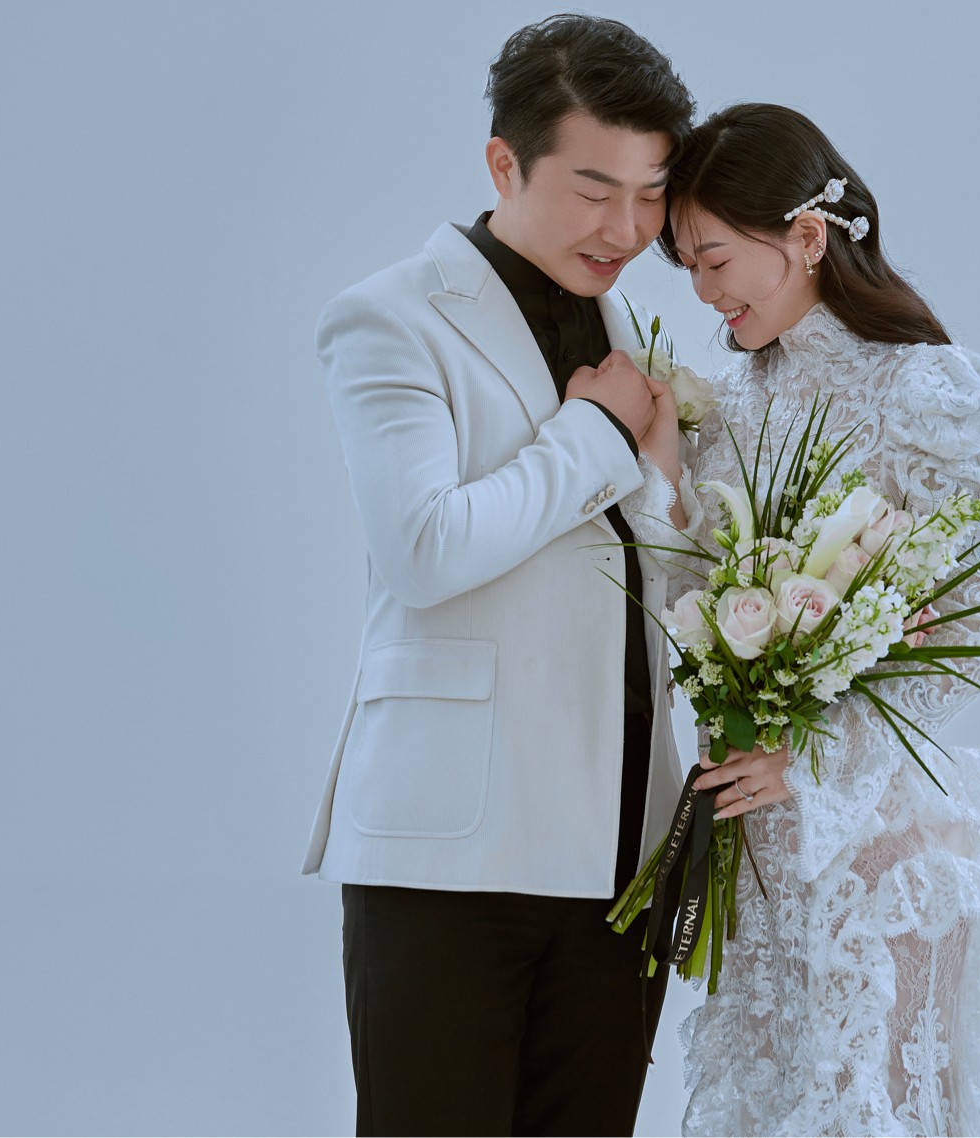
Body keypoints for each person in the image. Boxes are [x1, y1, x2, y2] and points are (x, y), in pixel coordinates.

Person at [300, 16, 696, 1136]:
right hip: (451, 853)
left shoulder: (631, 332)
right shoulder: (389, 317)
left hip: (620, 852)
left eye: (652, 194)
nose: (627, 229)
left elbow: (656, 584)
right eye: (593, 190)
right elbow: (424, 550)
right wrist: (593, 435)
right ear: (503, 164)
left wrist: (667, 489)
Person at [632, 104, 980, 1137]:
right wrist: (660, 468)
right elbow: (686, 599)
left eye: (714, 259)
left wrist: (813, 751)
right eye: (685, 265)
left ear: (808, 235)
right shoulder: (729, 405)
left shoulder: (924, 390)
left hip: (879, 851)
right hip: (756, 856)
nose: (702, 291)